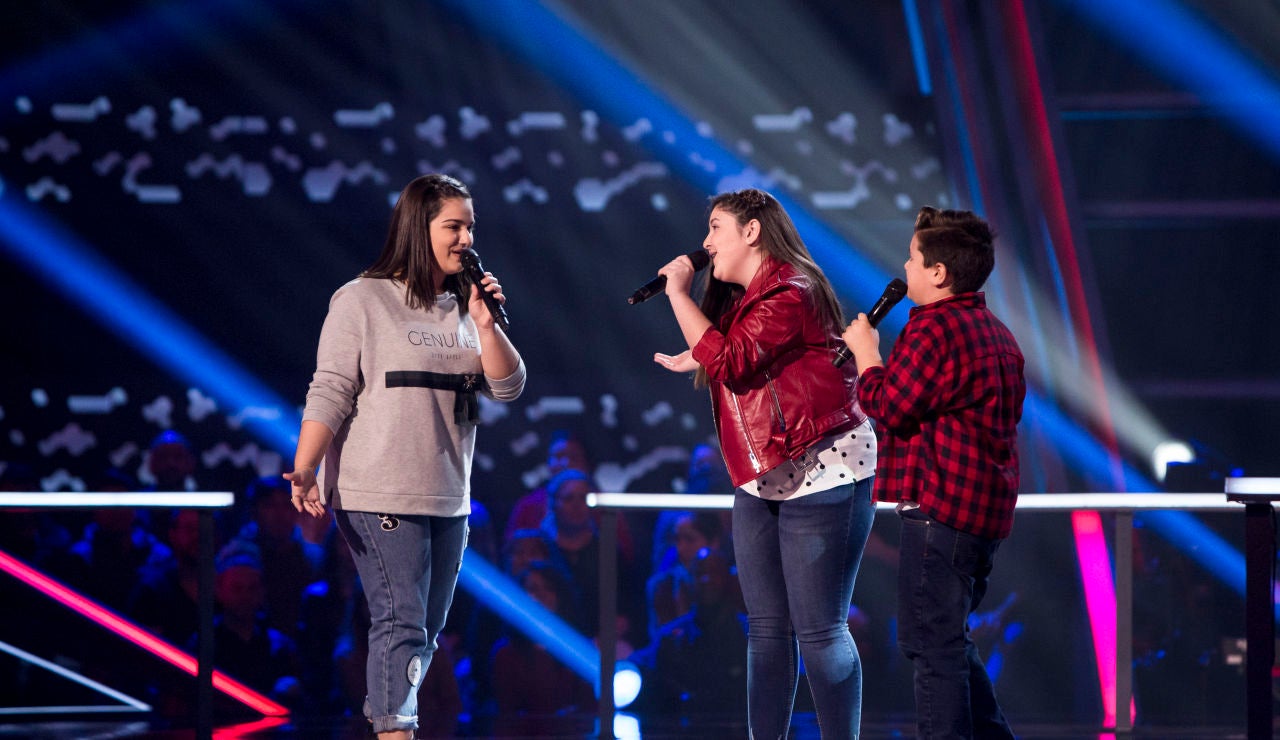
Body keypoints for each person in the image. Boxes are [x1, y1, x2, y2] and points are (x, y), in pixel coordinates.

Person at [285, 173, 526, 740]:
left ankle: (392, 723)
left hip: (448, 493)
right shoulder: (362, 299)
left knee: (425, 631)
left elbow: (509, 387)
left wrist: (487, 324)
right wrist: (306, 465)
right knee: (399, 621)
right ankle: (396, 732)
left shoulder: (466, 308)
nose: (466, 237)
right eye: (454, 225)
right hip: (378, 490)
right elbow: (331, 388)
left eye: (470, 226)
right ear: (420, 227)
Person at [653, 188, 877, 738]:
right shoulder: (743, 299)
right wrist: (701, 351)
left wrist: (679, 296)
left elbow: (732, 360)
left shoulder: (793, 289)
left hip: (823, 466)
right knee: (766, 629)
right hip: (761, 476)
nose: (705, 243)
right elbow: (736, 363)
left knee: (820, 629)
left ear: (752, 231)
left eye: (715, 228)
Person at [841, 205, 1025, 739]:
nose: (906, 267)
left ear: (938, 273)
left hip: (941, 513)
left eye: (913, 259)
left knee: (931, 646)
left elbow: (892, 406)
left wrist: (867, 356)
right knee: (949, 641)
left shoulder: (934, 331)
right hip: (980, 519)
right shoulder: (998, 335)